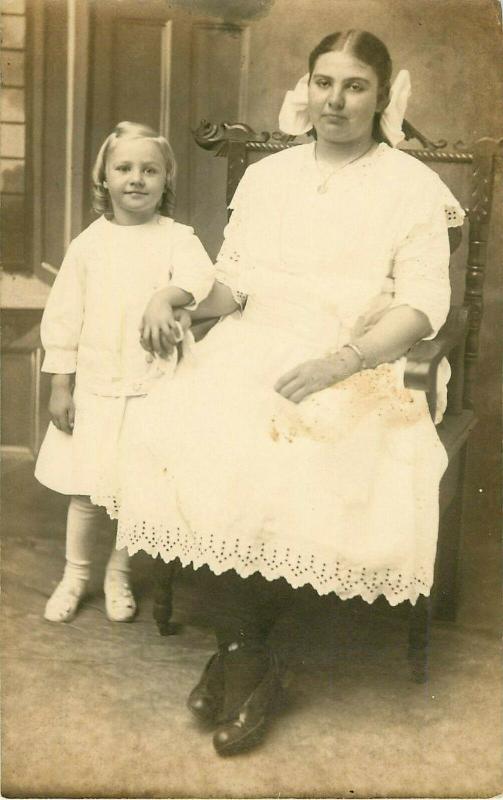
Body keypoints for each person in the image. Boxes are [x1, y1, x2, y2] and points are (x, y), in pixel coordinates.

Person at [93, 31, 464, 754]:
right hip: (254, 340)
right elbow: (234, 282)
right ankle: (249, 659)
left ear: (381, 96)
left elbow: (423, 306)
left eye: (354, 86)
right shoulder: (271, 176)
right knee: (187, 429)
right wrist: (179, 301)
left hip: (359, 356)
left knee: (283, 453)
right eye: (323, 82)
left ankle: (240, 660)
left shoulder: (409, 187)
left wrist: (340, 361)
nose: (335, 99)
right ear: (307, 87)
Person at [36, 121, 215, 624]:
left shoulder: (178, 239)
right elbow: (64, 319)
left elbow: (202, 278)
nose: (137, 179)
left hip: (152, 387)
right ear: (105, 178)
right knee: (88, 490)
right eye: (124, 168)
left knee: (132, 489)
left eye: (149, 170)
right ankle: (74, 575)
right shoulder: (88, 246)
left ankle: (118, 575)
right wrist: (60, 385)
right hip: (96, 386)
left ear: (165, 179)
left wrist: (170, 297)